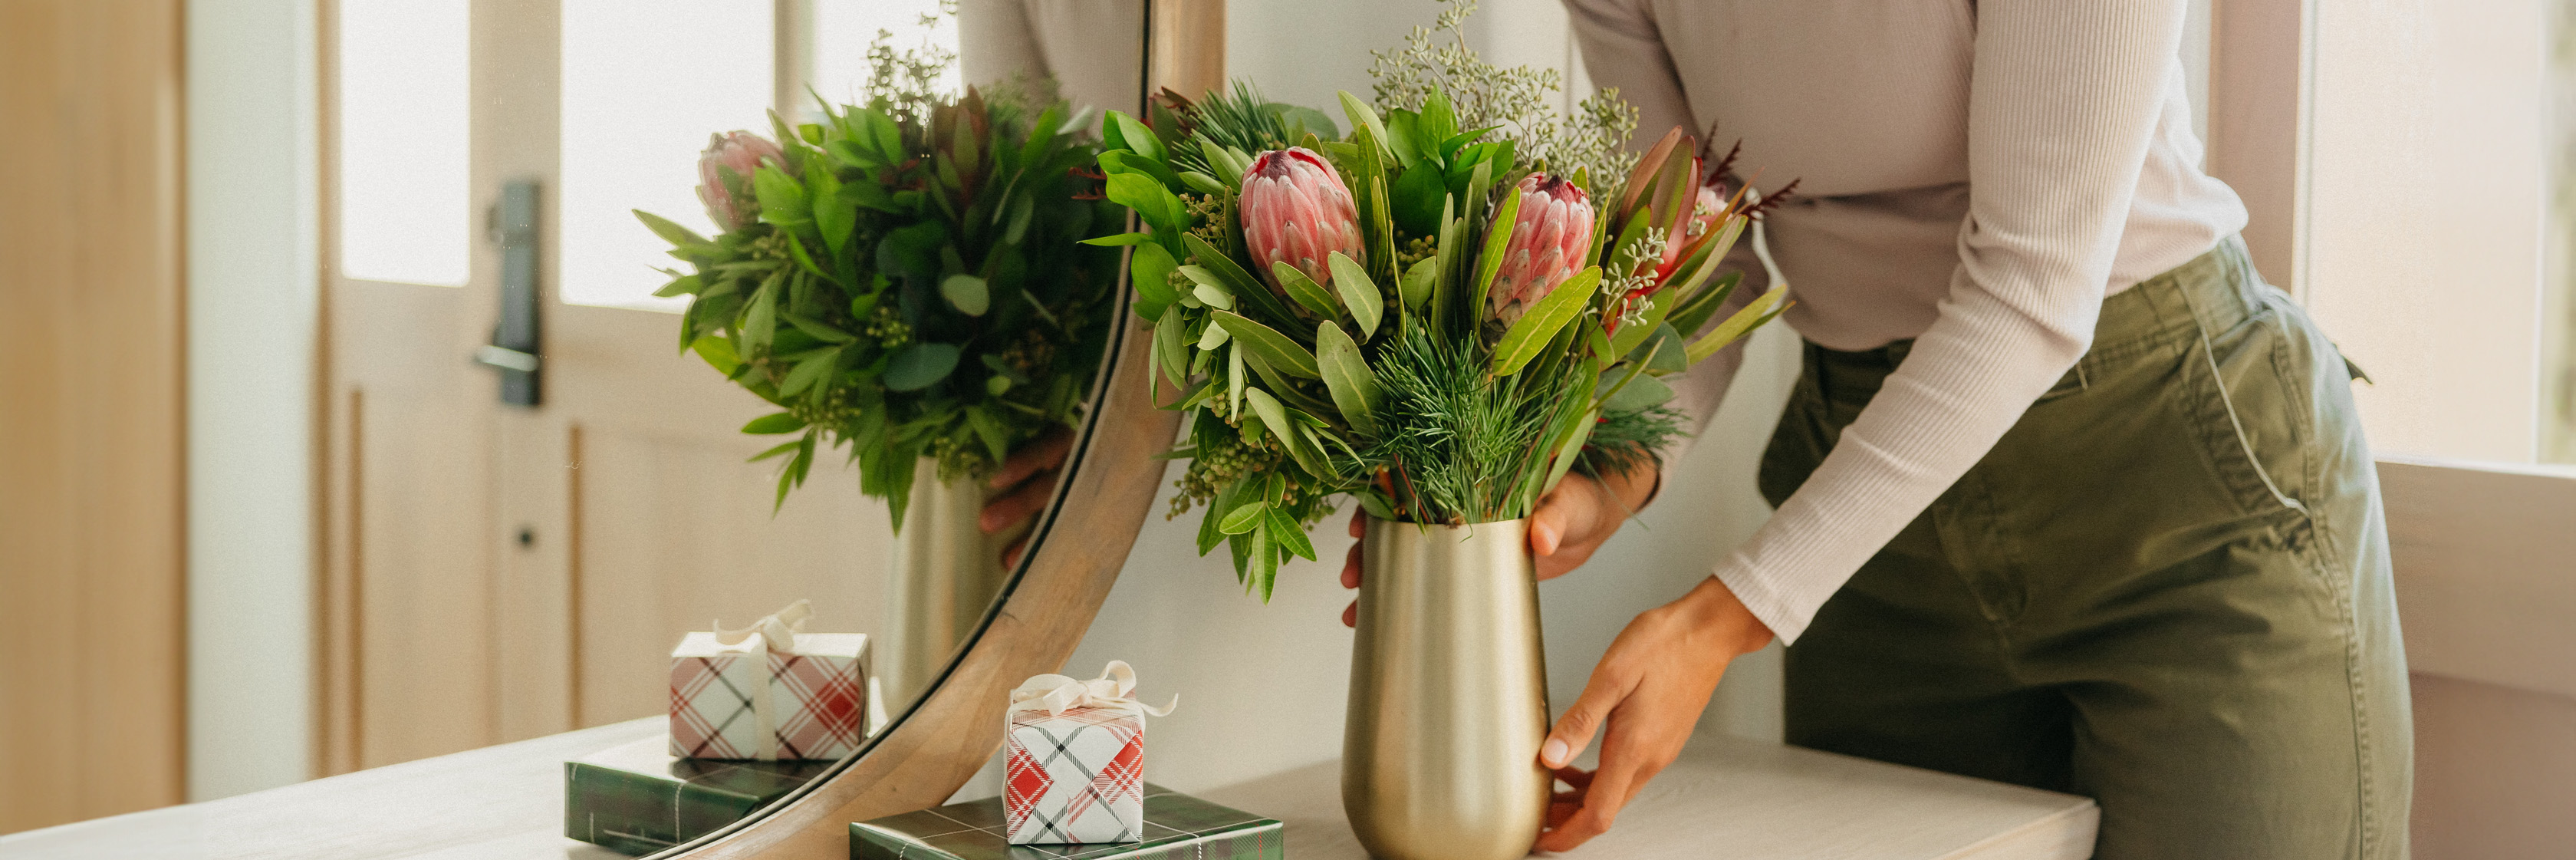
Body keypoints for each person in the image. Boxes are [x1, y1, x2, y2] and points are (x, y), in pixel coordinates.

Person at [1337, 2, 2413, 858]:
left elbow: (2032, 286)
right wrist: (1602, 477)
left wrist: (1731, 611)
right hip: (1882, 523)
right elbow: (1707, 272)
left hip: (2177, 488)